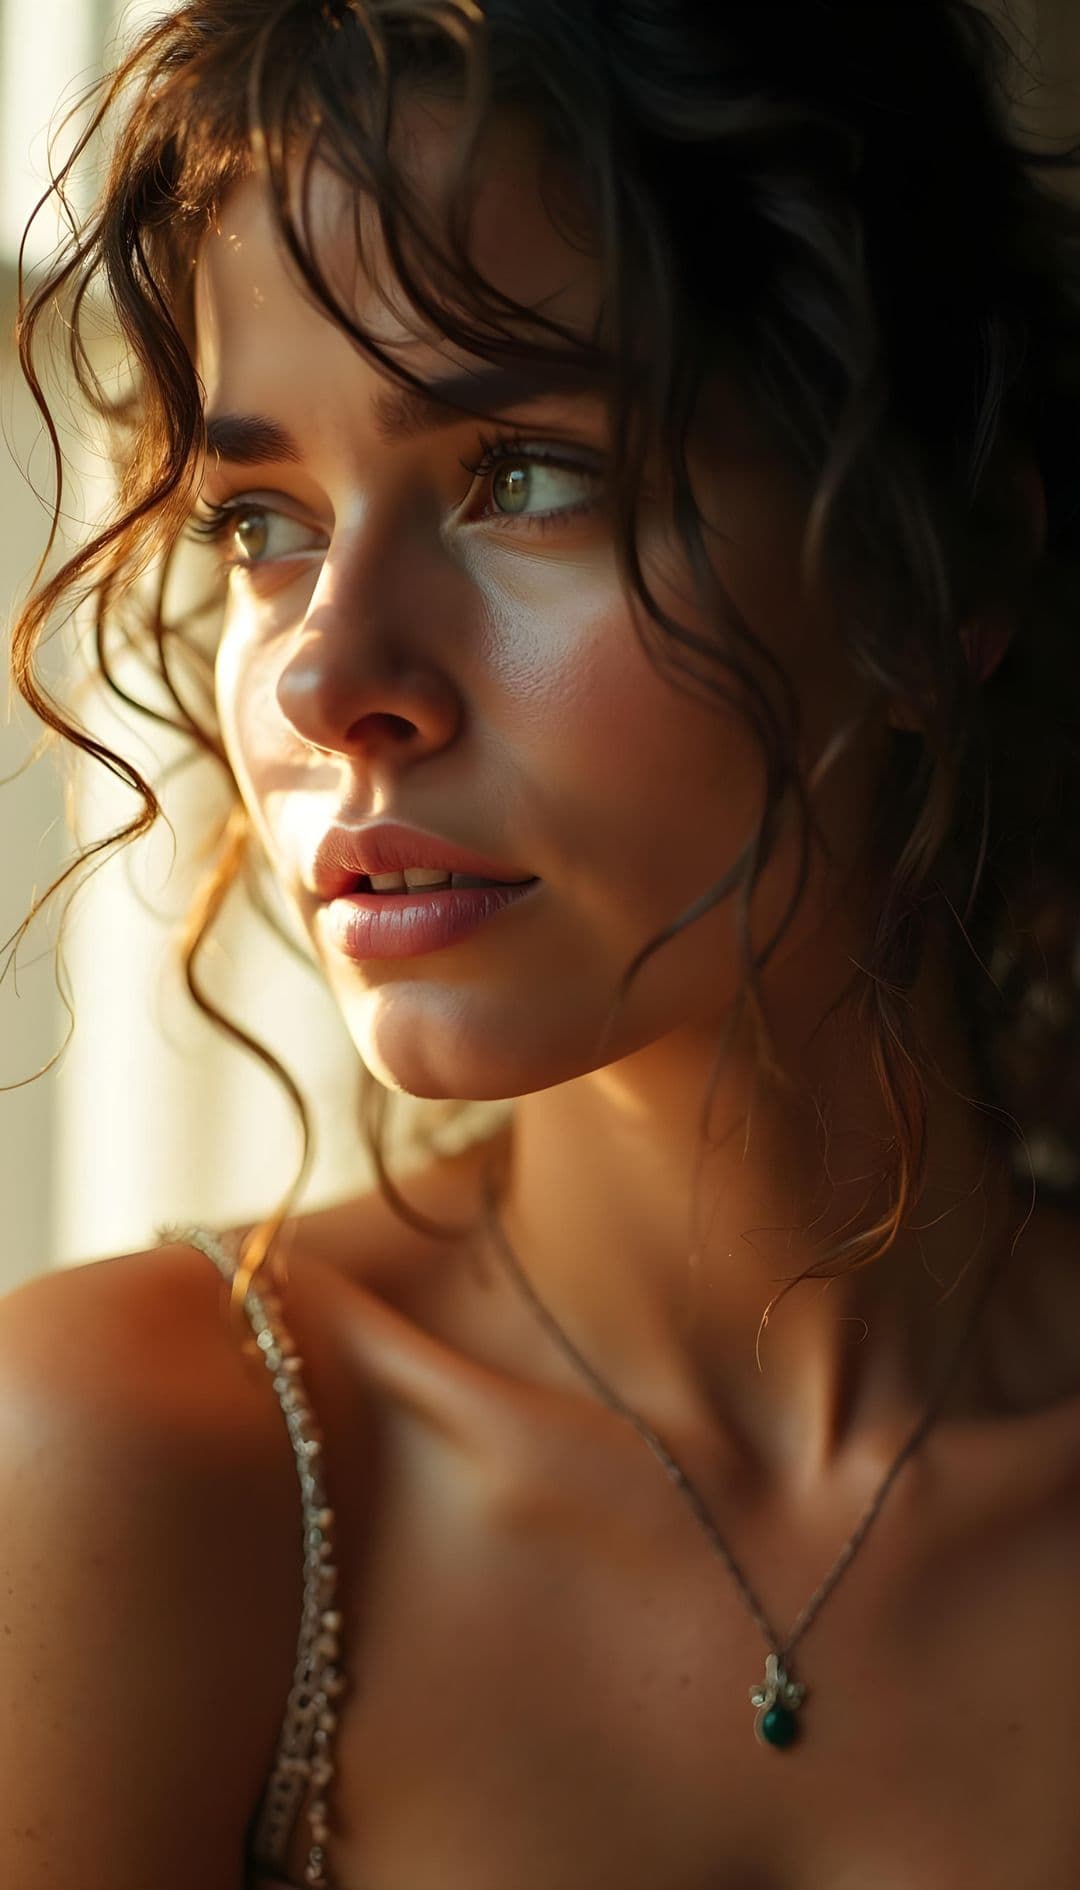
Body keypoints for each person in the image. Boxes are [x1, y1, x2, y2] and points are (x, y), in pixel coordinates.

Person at [3, 1, 1080, 1884]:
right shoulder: (144, 1473)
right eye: (263, 519)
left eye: (522, 473)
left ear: (942, 567)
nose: (332, 674)